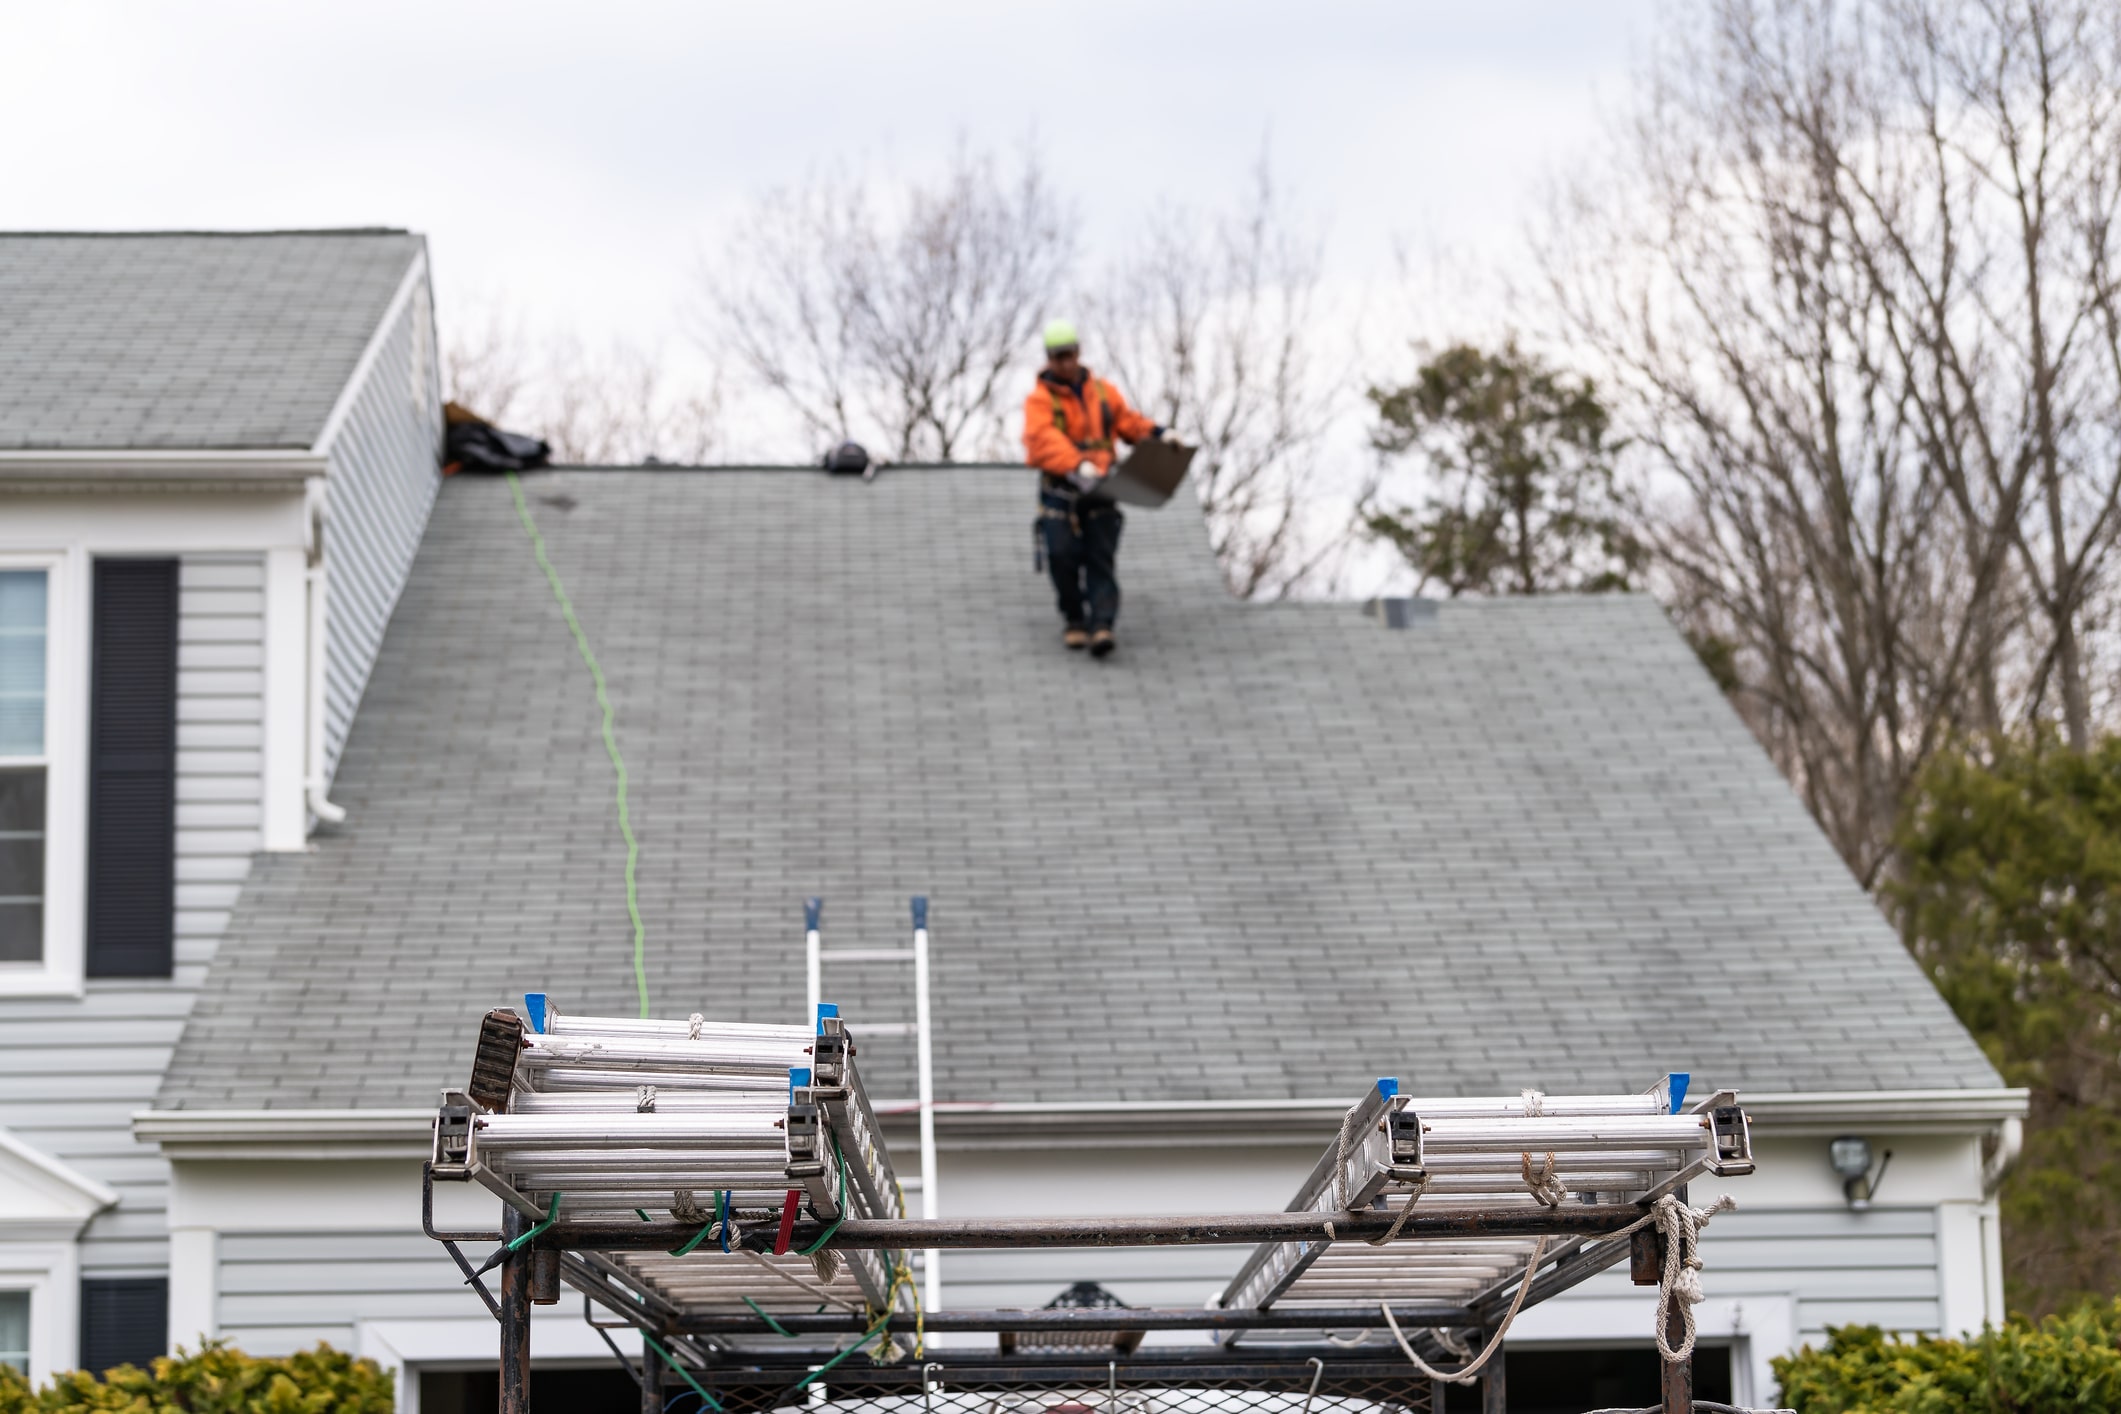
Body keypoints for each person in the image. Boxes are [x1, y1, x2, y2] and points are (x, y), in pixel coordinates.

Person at [1021, 319, 1167, 657]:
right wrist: (1075, 463)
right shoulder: (1040, 401)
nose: (1066, 363)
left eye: (1070, 355)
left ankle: (1102, 624)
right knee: (1062, 556)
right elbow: (1042, 440)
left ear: (1078, 353)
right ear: (1049, 359)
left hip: (1100, 490)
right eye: (1058, 357)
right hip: (1061, 491)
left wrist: (1159, 434)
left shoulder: (1102, 393)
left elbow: (1128, 423)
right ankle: (1074, 619)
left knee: (1100, 556)